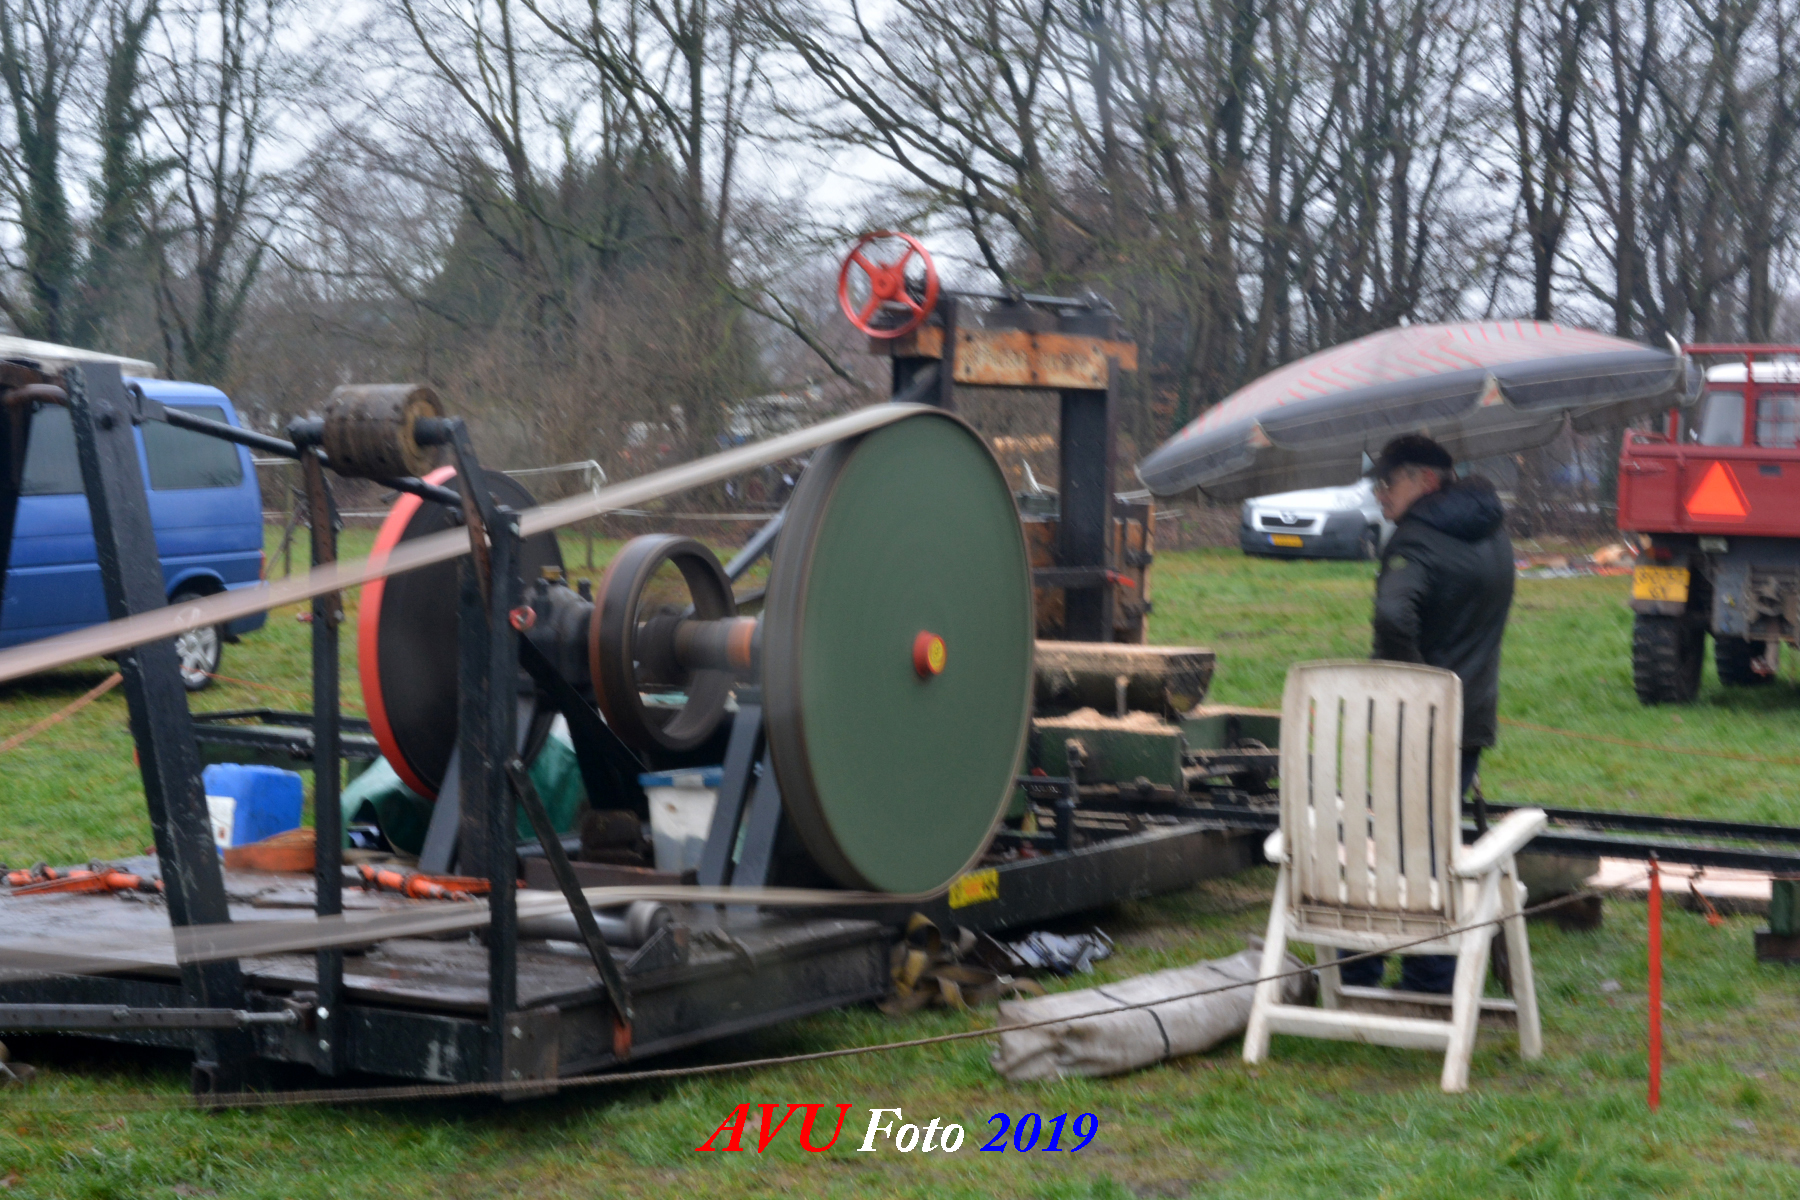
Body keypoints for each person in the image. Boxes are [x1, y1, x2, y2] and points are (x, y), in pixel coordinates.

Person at [1339, 433, 1515, 994]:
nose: (1380, 493)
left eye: (1388, 481)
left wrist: (1413, 693)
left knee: (1393, 847)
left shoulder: (1417, 539)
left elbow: (1394, 616)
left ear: (1427, 480)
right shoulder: (1492, 532)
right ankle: (1418, 971)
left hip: (1416, 723)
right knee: (1431, 840)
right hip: (1470, 717)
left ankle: (1382, 974)